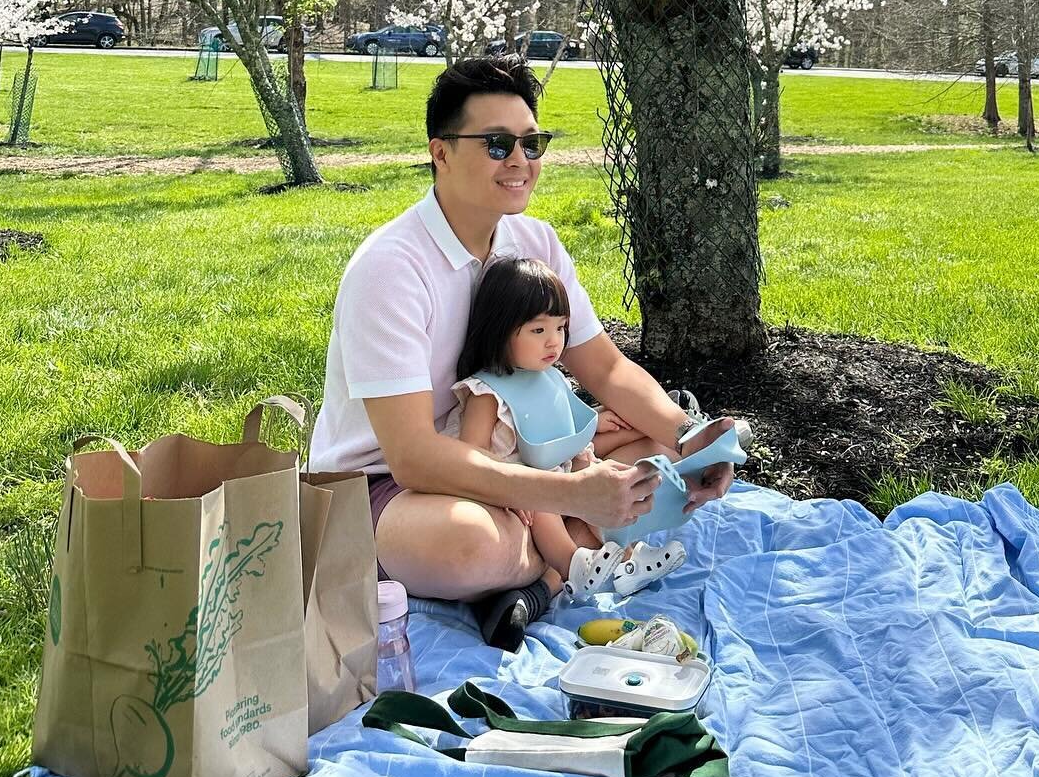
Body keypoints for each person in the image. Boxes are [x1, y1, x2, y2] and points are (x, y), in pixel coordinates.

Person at [307, 54, 737, 650]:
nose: (520, 161)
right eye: (497, 144)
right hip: (390, 489)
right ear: (441, 152)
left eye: (532, 143)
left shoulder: (535, 242)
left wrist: (692, 442)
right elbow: (412, 457)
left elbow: (605, 366)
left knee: (657, 454)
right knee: (467, 545)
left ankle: (537, 567)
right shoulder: (390, 269)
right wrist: (567, 494)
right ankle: (556, 565)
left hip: (519, 456)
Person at [448, 256, 687, 602]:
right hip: (522, 494)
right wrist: (508, 490)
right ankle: (573, 564)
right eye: (538, 330)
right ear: (500, 329)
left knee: (605, 481)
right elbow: (470, 454)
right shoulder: (486, 393)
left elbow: (556, 422)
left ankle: (632, 557)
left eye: (560, 328)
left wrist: (593, 424)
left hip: (562, 472)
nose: (554, 342)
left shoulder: (550, 378)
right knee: (545, 501)